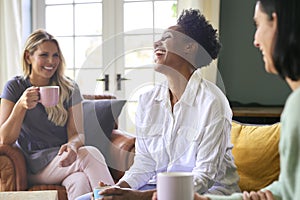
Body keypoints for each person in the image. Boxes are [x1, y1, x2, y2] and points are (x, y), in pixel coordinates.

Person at [76, 8, 240, 200]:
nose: (156, 43)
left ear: (189, 47)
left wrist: (138, 196)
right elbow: (145, 163)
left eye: (167, 37)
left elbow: (204, 177)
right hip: (155, 188)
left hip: (206, 194)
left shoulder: (213, 103)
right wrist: (118, 190)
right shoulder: (147, 101)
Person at [172, 0, 300, 200]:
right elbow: (288, 189)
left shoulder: (297, 107)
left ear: (275, 23)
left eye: (258, 25)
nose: (255, 41)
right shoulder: (295, 105)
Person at [0, 29, 115, 199]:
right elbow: (4, 139)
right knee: (90, 154)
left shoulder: (69, 88)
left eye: (55, 55)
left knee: (80, 181)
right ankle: (119, 196)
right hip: (34, 165)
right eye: (44, 55)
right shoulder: (15, 87)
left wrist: (73, 146)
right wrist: (20, 106)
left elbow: (76, 133)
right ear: (28, 57)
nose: (51, 61)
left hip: (63, 161)